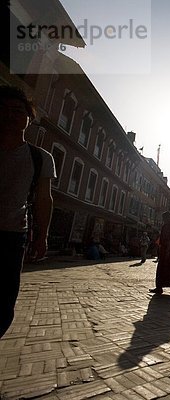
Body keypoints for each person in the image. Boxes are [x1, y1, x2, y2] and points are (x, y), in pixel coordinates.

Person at [0, 85, 55, 338]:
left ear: (28, 118)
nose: (10, 115)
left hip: (12, 237)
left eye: (18, 110)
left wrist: (42, 236)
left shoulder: (40, 157)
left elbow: (44, 199)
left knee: (4, 304)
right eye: (4, 110)